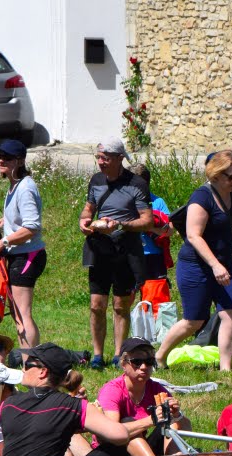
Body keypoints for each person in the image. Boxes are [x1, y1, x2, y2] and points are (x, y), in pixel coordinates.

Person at [155, 150, 232, 371]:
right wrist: (215, 265)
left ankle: (226, 368)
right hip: (197, 266)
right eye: (231, 177)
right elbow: (193, 235)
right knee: (194, 320)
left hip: (227, 264)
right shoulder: (201, 197)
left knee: (231, 314)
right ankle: (159, 356)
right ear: (215, 174)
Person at [79, 138, 153, 370]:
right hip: (99, 249)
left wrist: (120, 225)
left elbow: (147, 220)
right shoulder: (96, 180)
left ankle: (118, 353)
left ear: (120, 158)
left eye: (106, 158)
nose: (101, 162)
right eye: (99, 158)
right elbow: (89, 208)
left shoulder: (137, 183)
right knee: (96, 305)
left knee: (121, 305)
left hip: (126, 250)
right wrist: (84, 221)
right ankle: (98, 355)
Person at [0, 342, 131, 456]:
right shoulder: (72, 406)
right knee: (115, 448)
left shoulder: (8, 404)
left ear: (43, 372)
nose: (22, 370)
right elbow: (121, 435)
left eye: (27, 365)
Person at [85, 337, 192, 456]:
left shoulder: (157, 390)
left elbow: (187, 429)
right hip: (110, 453)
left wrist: (177, 415)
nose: (143, 366)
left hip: (140, 451)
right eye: (137, 361)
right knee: (127, 423)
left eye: (149, 361)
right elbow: (111, 433)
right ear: (123, 364)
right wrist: (151, 420)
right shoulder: (113, 390)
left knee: (171, 423)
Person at [0, 138, 45, 350]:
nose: (1, 160)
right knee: (16, 312)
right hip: (18, 254)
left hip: (27, 255)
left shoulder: (25, 188)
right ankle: (27, 361)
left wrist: (4, 240)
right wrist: (6, 223)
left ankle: (31, 365)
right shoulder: (15, 185)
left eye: (7, 158)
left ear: (20, 161)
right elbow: (23, 220)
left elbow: (32, 227)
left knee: (22, 313)